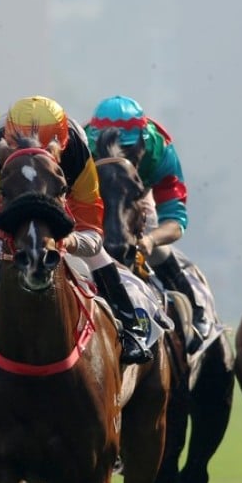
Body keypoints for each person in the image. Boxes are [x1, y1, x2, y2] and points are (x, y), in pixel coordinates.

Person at [0, 95, 151, 372]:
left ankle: (131, 329)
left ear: (61, 145)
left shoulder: (78, 151)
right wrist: (6, 249)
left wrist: (69, 241)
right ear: (7, 144)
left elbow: (92, 230)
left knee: (97, 256)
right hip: (11, 215)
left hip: (61, 213)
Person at [84, 94, 211, 345]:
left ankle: (197, 316)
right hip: (91, 201)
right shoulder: (79, 148)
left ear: (142, 142)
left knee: (157, 246)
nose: (123, 156)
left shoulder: (160, 151)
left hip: (138, 198)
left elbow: (175, 219)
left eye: (130, 150)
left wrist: (152, 240)